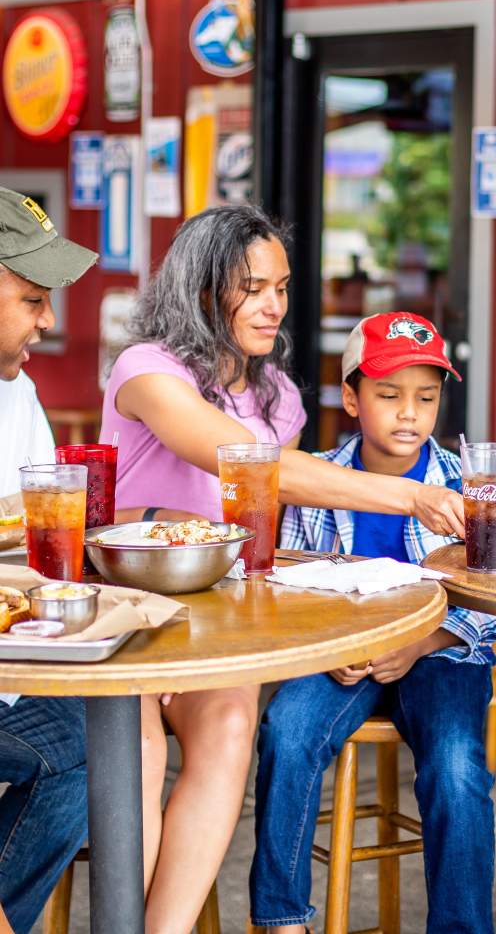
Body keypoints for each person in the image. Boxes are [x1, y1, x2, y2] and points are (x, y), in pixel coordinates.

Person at [99, 207, 465, 934]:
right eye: (253, 288)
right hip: (125, 615)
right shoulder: (147, 371)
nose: (274, 306)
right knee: (134, 749)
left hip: (219, 619)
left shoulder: (278, 399)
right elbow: (255, 467)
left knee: (235, 722)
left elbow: (258, 529)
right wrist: (409, 493)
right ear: (206, 293)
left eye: (282, 286)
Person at [248, 312, 496, 934]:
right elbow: (289, 581)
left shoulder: (469, 486)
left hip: (441, 654)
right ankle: (282, 918)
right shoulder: (317, 480)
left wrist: (423, 642)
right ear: (351, 398)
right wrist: (325, 645)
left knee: (456, 766)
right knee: (286, 731)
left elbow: (493, 604)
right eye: (388, 396)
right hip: (342, 656)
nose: (409, 414)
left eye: (426, 397)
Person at [0, 185, 97, 933]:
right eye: (33, 298)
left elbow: (35, 543)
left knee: (83, 748)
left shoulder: (19, 393)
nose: (50, 320)